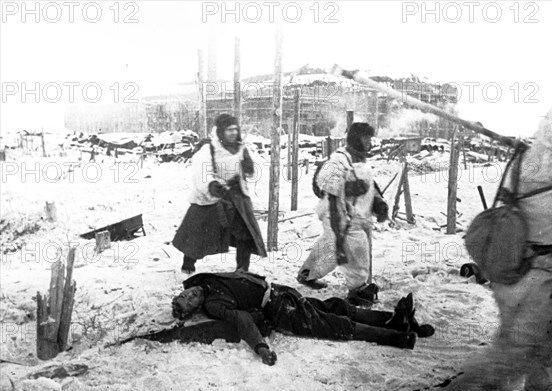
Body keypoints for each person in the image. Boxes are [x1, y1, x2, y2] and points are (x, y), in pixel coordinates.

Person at [426, 106, 552, 391]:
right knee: (521, 357)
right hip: (545, 285)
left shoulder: (527, 160)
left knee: (550, 346)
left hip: (517, 272)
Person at [171, 270, 435, 366]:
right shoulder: (215, 305)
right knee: (332, 324)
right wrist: (261, 348)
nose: (191, 293)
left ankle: (397, 319)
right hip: (279, 311)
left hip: (280, 293)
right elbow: (242, 321)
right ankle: (397, 336)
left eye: (186, 293)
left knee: (334, 306)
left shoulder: (207, 282)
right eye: (190, 300)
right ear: (196, 309)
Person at [296, 123, 389, 306]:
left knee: (331, 249)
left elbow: (370, 187)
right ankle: (358, 289)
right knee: (355, 250)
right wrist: (346, 188)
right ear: (356, 138)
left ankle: (308, 274)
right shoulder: (338, 159)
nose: (369, 142)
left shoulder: (361, 161)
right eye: (365, 138)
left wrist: (379, 203)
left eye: (370, 138)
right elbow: (322, 184)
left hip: (359, 216)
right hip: (339, 215)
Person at [172, 114, 266, 274]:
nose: (233, 133)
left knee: (245, 232)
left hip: (237, 197)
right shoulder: (209, 148)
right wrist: (212, 185)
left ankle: (242, 270)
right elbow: (202, 171)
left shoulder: (241, 148)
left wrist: (247, 166)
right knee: (198, 232)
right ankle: (188, 264)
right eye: (229, 129)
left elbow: (249, 170)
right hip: (212, 196)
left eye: (235, 129)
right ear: (221, 131)